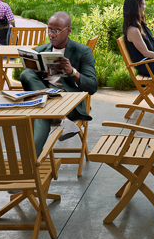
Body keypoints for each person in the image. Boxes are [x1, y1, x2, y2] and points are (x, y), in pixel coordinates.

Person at [17, 11, 98, 149]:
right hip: (47, 100)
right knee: (26, 74)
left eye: (57, 31)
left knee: (40, 114)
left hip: (69, 104)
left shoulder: (82, 51)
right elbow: (29, 79)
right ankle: (63, 121)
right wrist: (40, 74)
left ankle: (28, 165)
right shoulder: (40, 50)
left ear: (68, 31)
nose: (52, 34)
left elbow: (92, 86)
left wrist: (72, 72)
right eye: (49, 29)